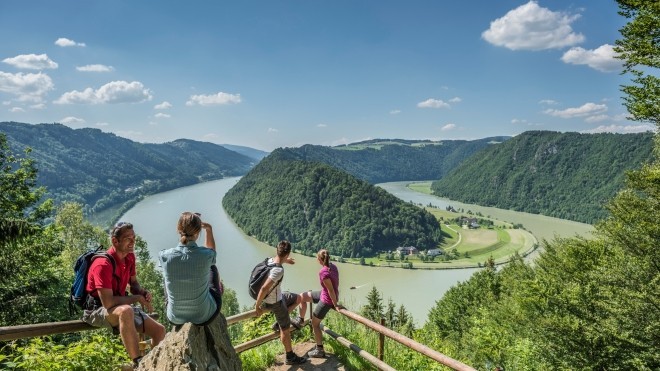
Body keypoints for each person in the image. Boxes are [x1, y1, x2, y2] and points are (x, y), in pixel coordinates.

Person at [83, 222, 166, 368]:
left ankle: (154, 366)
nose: (133, 242)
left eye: (134, 238)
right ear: (115, 241)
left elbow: (133, 284)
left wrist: (142, 292)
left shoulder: (129, 257)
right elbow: (107, 303)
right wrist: (136, 298)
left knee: (160, 330)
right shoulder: (102, 264)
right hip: (97, 309)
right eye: (128, 238)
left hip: (121, 307)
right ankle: (139, 364)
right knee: (126, 310)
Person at [159, 212, 223, 327]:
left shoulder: (164, 256)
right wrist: (208, 229)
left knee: (166, 275)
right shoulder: (206, 255)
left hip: (175, 317)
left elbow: (180, 258)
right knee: (212, 266)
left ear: (179, 230)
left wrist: (187, 220)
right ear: (198, 232)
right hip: (204, 316)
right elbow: (212, 253)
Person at [254, 240, 307, 365]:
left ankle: (280, 320)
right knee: (285, 329)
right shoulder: (278, 271)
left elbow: (276, 262)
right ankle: (290, 356)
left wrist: (286, 261)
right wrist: (257, 306)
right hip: (275, 302)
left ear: (277, 250)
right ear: (288, 253)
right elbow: (264, 288)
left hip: (279, 296)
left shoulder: (269, 260)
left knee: (299, 298)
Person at [298, 249, 342, 358]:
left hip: (327, 300)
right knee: (302, 296)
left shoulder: (323, 272)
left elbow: (331, 290)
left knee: (314, 323)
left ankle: (319, 349)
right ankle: (300, 319)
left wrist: (335, 305)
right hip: (324, 294)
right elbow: (332, 288)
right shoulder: (333, 267)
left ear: (319, 259)